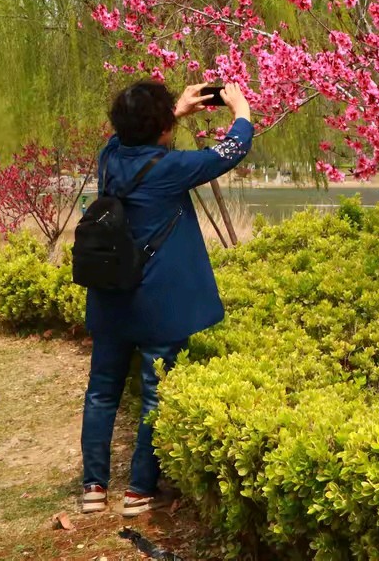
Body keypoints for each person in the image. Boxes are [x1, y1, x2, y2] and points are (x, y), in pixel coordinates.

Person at [80, 79, 253, 518]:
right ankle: (139, 490)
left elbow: (129, 139)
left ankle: (93, 487)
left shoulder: (108, 158)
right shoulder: (171, 167)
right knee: (155, 393)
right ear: (161, 128)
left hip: (110, 296)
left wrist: (172, 112)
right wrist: (241, 111)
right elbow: (230, 151)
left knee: (102, 391)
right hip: (157, 303)